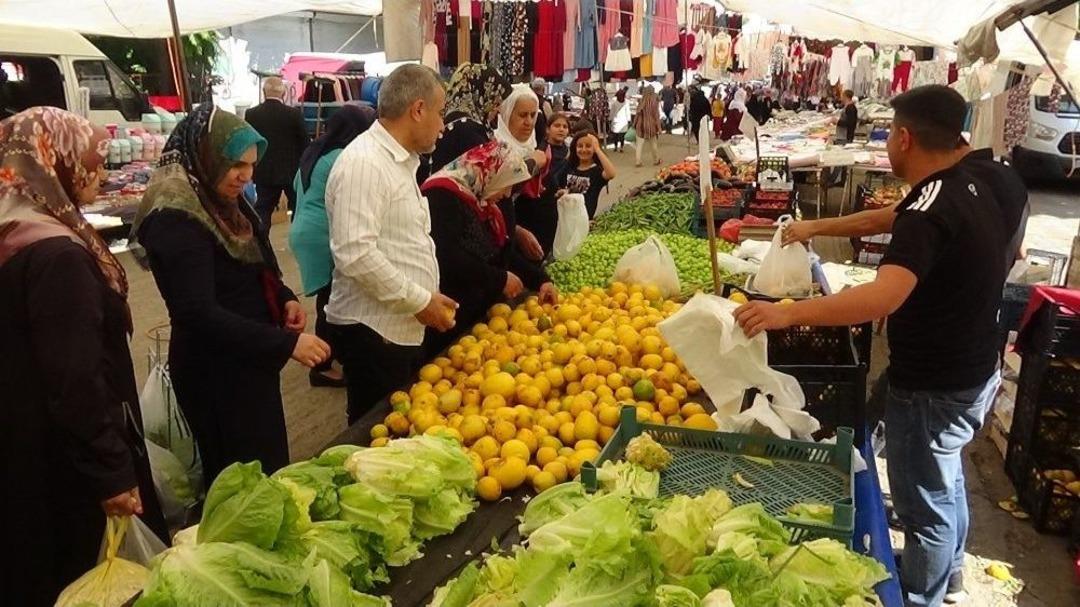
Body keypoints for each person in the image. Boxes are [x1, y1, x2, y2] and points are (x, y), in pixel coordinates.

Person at [735, 86, 1008, 607]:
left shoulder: (930, 207)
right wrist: (816, 227)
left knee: (922, 502)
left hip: (934, 384)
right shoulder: (969, 183)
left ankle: (922, 594)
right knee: (945, 479)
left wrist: (785, 313)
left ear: (903, 138)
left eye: (889, 138)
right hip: (972, 370)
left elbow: (883, 296)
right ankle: (948, 572)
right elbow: (888, 220)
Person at [0, 107, 168, 607]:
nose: (99, 173)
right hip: (62, 457)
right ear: (54, 162)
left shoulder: (12, 232)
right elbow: (76, 376)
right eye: (91, 162)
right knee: (85, 576)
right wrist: (112, 471)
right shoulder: (58, 255)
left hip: (22, 437)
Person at [132, 105, 327, 483]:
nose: (247, 175)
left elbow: (252, 263)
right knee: (239, 483)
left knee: (264, 471)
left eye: (251, 165)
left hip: (247, 360)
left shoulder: (219, 201)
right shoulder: (177, 216)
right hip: (216, 373)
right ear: (206, 155)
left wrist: (284, 296)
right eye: (236, 164)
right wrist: (285, 344)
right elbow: (198, 313)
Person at [324, 64, 456, 424]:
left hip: (397, 327)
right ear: (418, 110)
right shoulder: (365, 163)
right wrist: (419, 300)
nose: (443, 125)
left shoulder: (398, 161)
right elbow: (355, 253)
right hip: (374, 333)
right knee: (378, 431)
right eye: (441, 112)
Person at [422, 141, 559, 358]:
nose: (506, 194)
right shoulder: (441, 196)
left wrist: (541, 280)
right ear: (491, 172)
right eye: (506, 185)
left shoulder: (480, 197)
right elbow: (447, 258)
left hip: (482, 320)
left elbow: (500, 251)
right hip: (449, 319)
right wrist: (499, 279)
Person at [290, 104, 377, 388]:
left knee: (328, 295)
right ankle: (322, 366)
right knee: (332, 299)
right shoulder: (344, 156)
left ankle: (329, 356)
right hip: (322, 234)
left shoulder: (316, 152)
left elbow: (297, 188)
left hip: (304, 230)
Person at [426, 63, 512, 180]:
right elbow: (488, 177)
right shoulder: (467, 128)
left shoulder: (451, 117)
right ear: (482, 95)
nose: (497, 109)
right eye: (494, 102)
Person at [245, 76, 310, 230]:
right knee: (298, 209)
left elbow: (249, 143)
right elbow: (305, 143)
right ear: (284, 93)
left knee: (263, 210)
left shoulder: (252, 114)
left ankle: (261, 241)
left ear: (264, 92)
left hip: (264, 171)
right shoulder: (294, 114)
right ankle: (296, 237)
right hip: (291, 172)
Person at [495, 83, 549, 263]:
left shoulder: (533, 146)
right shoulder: (495, 150)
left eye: (533, 115)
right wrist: (517, 230)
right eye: (522, 115)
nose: (529, 122)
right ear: (506, 114)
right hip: (506, 242)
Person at [517, 112, 572, 256]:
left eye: (565, 127)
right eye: (557, 125)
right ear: (547, 129)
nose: (561, 129)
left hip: (555, 205)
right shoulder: (537, 150)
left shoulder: (569, 152)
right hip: (533, 207)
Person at [567, 130, 617, 218]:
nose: (584, 149)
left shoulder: (596, 171)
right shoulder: (569, 167)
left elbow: (611, 174)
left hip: (584, 219)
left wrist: (598, 150)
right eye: (580, 146)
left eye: (588, 146)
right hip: (566, 216)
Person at [633, 86, 663, 168]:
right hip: (651, 125)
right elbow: (656, 116)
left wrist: (634, 124)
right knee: (653, 144)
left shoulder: (641, 101)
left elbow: (637, 114)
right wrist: (659, 128)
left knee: (639, 145)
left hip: (640, 125)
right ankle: (656, 160)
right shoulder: (654, 102)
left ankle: (638, 161)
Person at [531, 77, 554, 144]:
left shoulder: (529, 100)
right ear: (543, 89)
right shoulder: (545, 103)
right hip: (541, 136)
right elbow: (551, 120)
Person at [609, 87, 630, 152]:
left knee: (615, 136)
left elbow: (612, 113)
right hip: (624, 122)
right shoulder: (626, 103)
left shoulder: (614, 103)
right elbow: (628, 112)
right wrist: (629, 120)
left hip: (616, 122)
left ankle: (615, 147)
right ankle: (621, 148)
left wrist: (610, 119)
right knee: (622, 136)